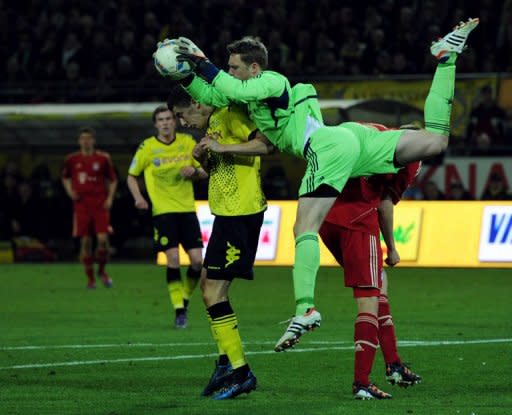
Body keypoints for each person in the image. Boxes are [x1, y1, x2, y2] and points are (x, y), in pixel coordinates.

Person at [173, 17, 479, 351]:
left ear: (254, 68)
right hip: (352, 138)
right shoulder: (249, 97)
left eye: (234, 67)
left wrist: (203, 60)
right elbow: (212, 93)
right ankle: (446, 59)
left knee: (304, 227)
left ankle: (305, 308)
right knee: (435, 141)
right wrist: (184, 72)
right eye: (228, 67)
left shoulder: (272, 82)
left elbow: (229, 88)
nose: (230, 73)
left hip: (326, 146)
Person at [167, 86, 271, 399]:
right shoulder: (213, 124)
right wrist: (205, 160)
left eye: (181, 115)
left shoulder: (230, 115)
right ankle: (227, 363)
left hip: (241, 213)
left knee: (213, 291)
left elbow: (266, 145)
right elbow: (223, 167)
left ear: (196, 104)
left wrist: (220, 148)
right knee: (207, 287)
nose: (183, 123)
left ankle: (241, 372)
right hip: (227, 214)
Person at [318, 122, 423, 400]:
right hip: (356, 219)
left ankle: (394, 365)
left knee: (379, 284)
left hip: (325, 214)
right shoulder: (408, 156)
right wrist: (392, 247)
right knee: (369, 297)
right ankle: (361, 382)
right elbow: (384, 204)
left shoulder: (372, 130)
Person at [127, 105, 207, 329]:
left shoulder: (187, 143)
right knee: (172, 260)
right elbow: (131, 176)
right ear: (156, 124)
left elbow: (205, 171)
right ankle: (179, 311)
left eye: (169, 118)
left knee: (198, 263)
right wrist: (138, 198)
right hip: (163, 212)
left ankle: (183, 299)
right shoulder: (147, 147)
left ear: (174, 121)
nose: (165, 122)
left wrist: (195, 173)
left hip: (187, 210)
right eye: (161, 119)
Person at [62, 127, 117, 289]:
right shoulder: (72, 159)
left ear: (93, 140)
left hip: (100, 204)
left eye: (88, 138)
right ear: (79, 141)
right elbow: (65, 177)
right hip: (81, 205)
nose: (86, 141)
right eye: (83, 138)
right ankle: (91, 279)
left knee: (102, 240)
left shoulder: (103, 158)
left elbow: (113, 180)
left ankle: (101, 271)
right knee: (85, 242)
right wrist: (70, 191)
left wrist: (110, 198)